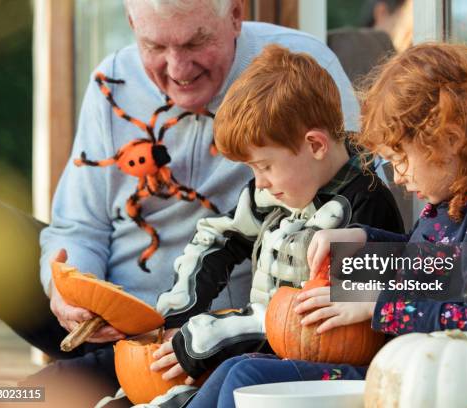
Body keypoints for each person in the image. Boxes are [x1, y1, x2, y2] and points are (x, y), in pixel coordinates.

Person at [0, 0, 361, 405]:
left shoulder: (298, 73)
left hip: (198, 342)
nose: (178, 69)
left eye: (196, 43)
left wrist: (382, 288)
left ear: (235, 16)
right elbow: (78, 227)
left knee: (25, 396)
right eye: (155, 47)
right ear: (131, 25)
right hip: (101, 315)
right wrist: (71, 291)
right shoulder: (113, 81)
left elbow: (357, 193)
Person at [187, 42, 467, 407]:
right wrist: (363, 237)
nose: (397, 173)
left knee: (248, 377)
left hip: (445, 388)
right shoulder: (453, 204)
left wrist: (375, 304)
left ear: (449, 142)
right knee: (236, 369)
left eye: (401, 158)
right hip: (406, 372)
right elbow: (428, 269)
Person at [144, 44, 404, 406]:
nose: (259, 182)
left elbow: (311, 319)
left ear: (314, 145)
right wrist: (178, 312)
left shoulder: (366, 206)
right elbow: (222, 237)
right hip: (263, 348)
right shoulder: (284, 187)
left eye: (264, 166)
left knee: (239, 372)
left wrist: (213, 336)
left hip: (333, 365)